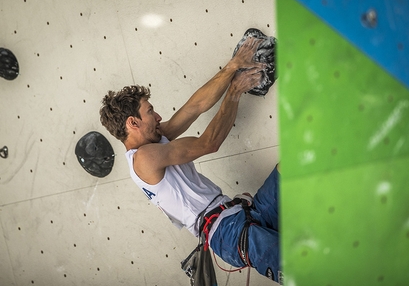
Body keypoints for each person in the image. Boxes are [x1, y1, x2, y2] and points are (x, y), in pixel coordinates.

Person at [99, 37, 281, 283]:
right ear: (133, 123)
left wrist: (232, 66)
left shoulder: (154, 142)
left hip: (241, 215)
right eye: (150, 111)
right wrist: (235, 91)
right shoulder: (144, 159)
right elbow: (209, 143)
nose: (158, 116)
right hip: (226, 233)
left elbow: (195, 106)